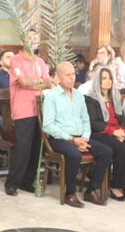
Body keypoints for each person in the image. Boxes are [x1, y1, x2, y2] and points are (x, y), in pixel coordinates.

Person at [43, 62, 111, 208]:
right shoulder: (52, 96)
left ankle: (91, 191)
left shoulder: (79, 95)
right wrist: (72, 140)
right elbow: (48, 126)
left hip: (81, 137)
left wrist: (84, 139)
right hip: (60, 138)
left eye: (73, 74)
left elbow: (86, 120)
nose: (72, 77)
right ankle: (70, 193)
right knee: (74, 155)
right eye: (68, 75)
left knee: (106, 151)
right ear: (59, 77)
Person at [4, 32, 52, 196]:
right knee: (23, 148)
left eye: (35, 38)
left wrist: (33, 83)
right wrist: (39, 81)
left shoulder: (40, 61)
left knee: (36, 148)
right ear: (22, 41)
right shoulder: (16, 60)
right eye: (29, 38)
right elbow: (22, 82)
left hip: (39, 110)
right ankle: (12, 183)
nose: (32, 41)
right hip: (23, 110)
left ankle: (27, 181)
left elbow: (48, 83)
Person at [86, 67, 125, 201]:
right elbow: (93, 123)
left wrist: (121, 130)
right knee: (121, 150)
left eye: (110, 78)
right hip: (101, 133)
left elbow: (121, 118)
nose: (108, 81)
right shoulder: (91, 99)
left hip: (117, 131)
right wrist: (113, 131)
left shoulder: (114, 97)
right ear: (97, 81)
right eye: (104, 78)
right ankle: (116, 185)